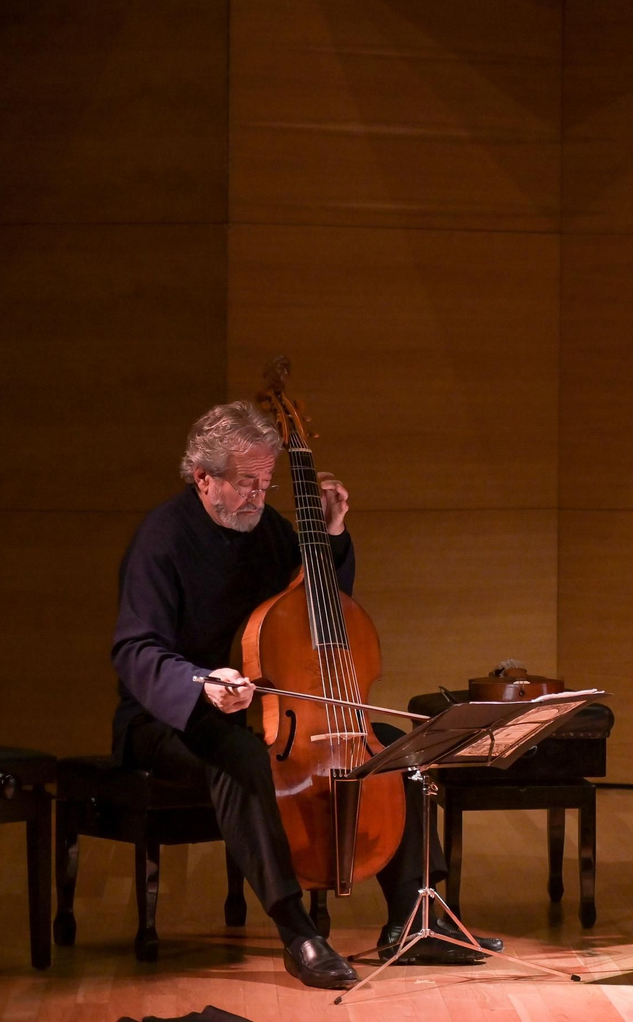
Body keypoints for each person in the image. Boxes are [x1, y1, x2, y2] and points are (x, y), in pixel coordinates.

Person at [111, 401, 503, 989]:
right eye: (247, 483)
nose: (258, 496)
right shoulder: (162, 538)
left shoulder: (266, 530)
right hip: (170, 718)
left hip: (268, 712)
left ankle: (413, 921)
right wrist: (203, 684)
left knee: (397, 748)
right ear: (204, 479)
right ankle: (297, 931)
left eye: (267, 483)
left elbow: (322, 613)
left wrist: (329, 533)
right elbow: (134, 649)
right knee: (241, 757)